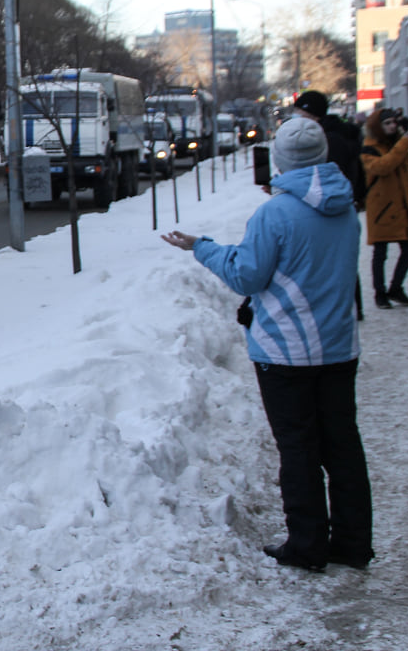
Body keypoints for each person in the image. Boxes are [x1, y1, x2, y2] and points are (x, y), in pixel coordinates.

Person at [162, 115, 372, 572]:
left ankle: (307, 544)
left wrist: (201, 247)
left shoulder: (275, 213)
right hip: (338, 348)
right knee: (343, 445)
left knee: (299, 448)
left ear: (280, 159)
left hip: (286, 353)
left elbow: (247, 275)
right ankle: (354, 544)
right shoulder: (346, 207)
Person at [292, 90, 367, 319]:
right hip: (342, 203)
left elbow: (321, 176)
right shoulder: (335, 134)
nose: (298, 117)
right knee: (342, 257)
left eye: (301, 112)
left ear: (313, 114)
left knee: (334, 259)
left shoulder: (327, 140)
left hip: (331, 204)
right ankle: (353, 307)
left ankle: (346, 308)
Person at [360, 107, 408, 309]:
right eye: (386, 124)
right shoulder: (369, 147)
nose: (392, 127)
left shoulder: (399, 146)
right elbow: (382, 167)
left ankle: (396, 288)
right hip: (381, 208)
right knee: (381, 252)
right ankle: (380, 293)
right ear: (377, 127)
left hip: (402, 207)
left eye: (393, 123)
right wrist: (404, 144)